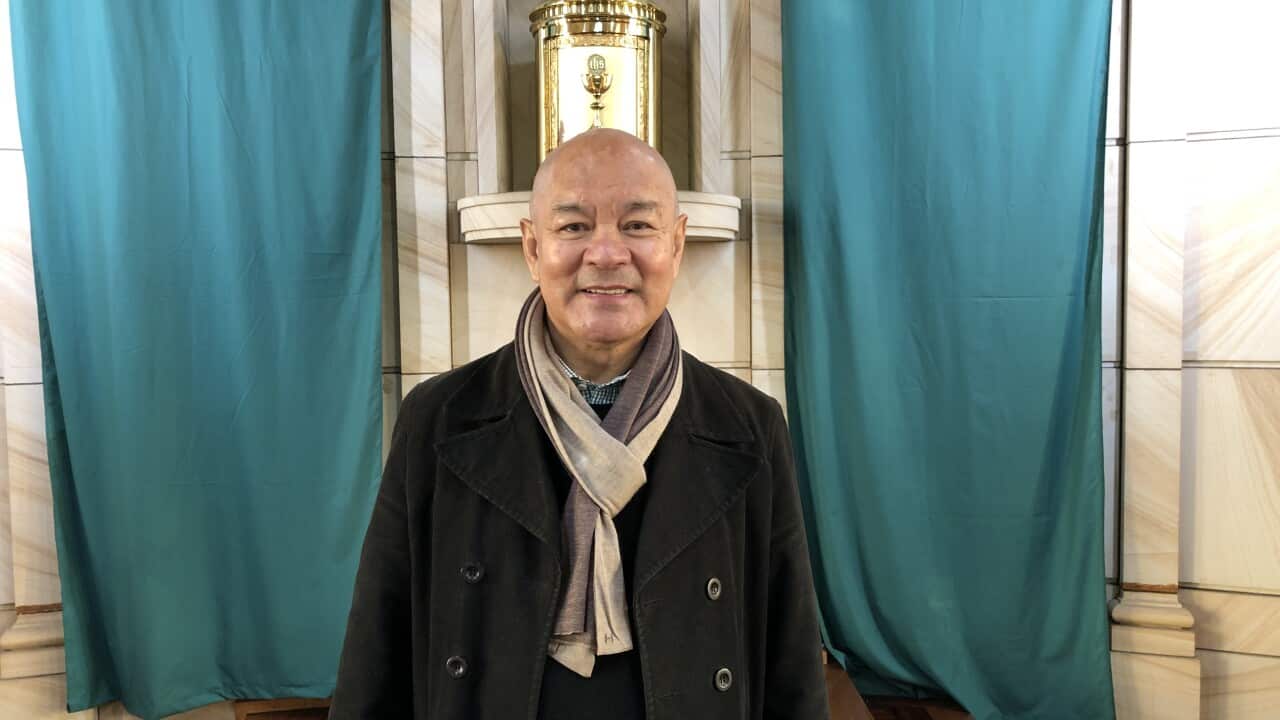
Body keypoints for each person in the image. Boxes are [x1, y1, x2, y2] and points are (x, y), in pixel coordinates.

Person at [329, 128, 830, 719]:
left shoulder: (749, 426)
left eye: (638, 225)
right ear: (532, 247)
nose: (607, 253)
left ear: (677, 242)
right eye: (573, 226)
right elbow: (377, 653)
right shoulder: (439, 419)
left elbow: (791, 663)